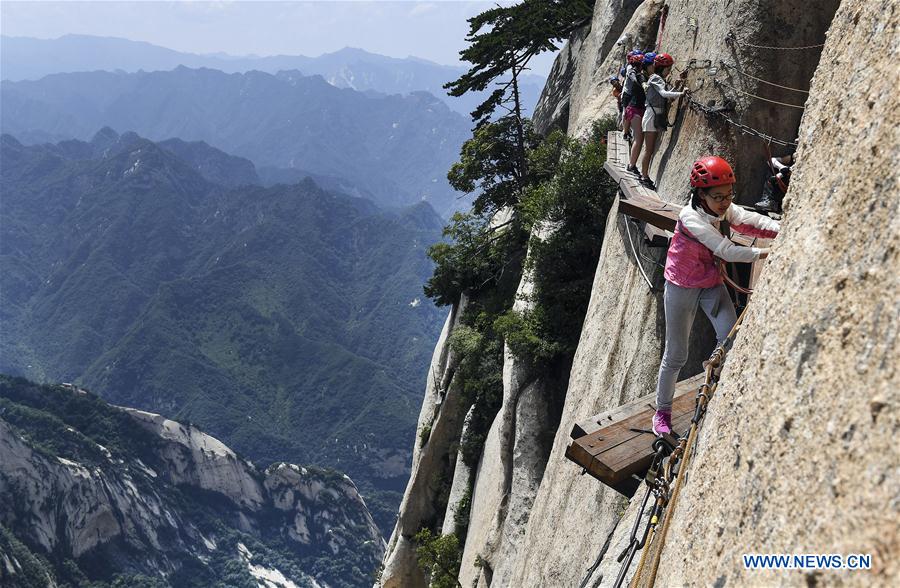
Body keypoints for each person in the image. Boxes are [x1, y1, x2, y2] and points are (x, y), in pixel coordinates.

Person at [652, 156, 781, 436]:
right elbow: (726, 250)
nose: (725, 201)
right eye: (718, 196)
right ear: (701, 194)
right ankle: (662, 413)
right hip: (682, 285)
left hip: (710, 282)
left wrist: (781, 229)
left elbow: (746, 220)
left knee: (730, 338)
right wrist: (767, 251)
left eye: (729, 194)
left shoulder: (720, 207)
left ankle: (714, 374)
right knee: (676, 355)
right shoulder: (690, 217)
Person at [639, 53, 686, 189]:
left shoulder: (656, 78)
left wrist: (676, 88)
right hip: (651, 116)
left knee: (650, 149)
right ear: (662, 68)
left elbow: (665, 96)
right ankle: (644, 176)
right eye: (668, 68)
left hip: (653, 115)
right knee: (648, 150)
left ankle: (644, 175)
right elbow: (664, 94)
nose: (669, 71)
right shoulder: (655, 78)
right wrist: (681, 93)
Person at [624, 52, 651, 170]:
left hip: (635, 109)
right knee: (638, 139)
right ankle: (631, 165)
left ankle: (632, 164)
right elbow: (634, 78)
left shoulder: (639, 75)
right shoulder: (638, 75)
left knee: (638, 139)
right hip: (635, 109)